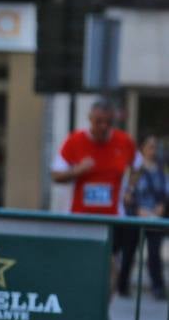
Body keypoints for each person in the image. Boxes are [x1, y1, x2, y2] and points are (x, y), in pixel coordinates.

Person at [51, 99, 138, 298]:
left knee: (110, 271)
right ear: (90, 119)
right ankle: (82, 310)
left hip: (112, 220)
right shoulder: (75, 141)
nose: (103, 126)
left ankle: (102, 315)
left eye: (108, 122)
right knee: (80, 269)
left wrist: (129, 189)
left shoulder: (124, 142)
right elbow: (56, 174)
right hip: (80, 218)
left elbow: (138, 166)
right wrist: (78, 170)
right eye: (98, 121)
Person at [124, 135, 167, 299]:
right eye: (150, 147)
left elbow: (164, 193)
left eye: (155, 147)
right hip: (137, 217)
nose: (153, 150)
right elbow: (127, 194)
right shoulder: (136, 169)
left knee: (155, 254)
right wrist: (136, 209)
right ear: (143, 149)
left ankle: (158, 288)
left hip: (155, 218)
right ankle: (123, 285)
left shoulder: (161, 170)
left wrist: (162, 206)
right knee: (129, 252)